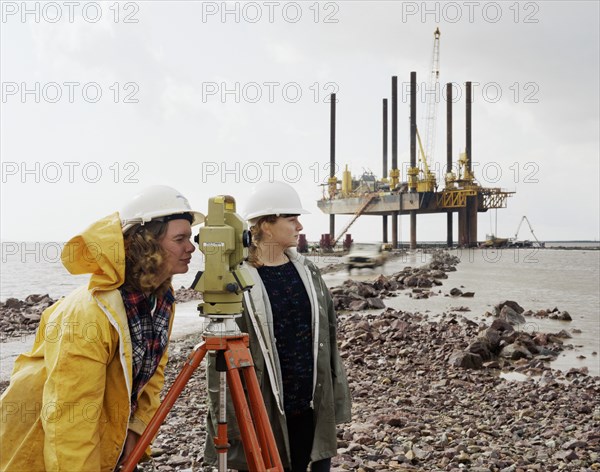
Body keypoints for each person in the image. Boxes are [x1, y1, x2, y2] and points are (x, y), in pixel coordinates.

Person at [0, 185, 204, 471]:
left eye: (189, 237)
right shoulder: (90, 314)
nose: (191, 247)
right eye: (180, 238)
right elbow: (70, 420)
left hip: (100, 437)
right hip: (42, 447)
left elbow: (153, 371)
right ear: (147, 245)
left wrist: (136, 428)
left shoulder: (159, 300)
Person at [204, 181, 352, 472]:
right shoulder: (237, 280)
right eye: (291, 218)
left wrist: (335, 395)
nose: (299, 226)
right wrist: (230, 421)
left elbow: (329, 335)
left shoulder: (308, 271)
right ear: (266, 225)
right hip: (266, 407)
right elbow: (220, 356)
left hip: (310, 401)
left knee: (315, 462)